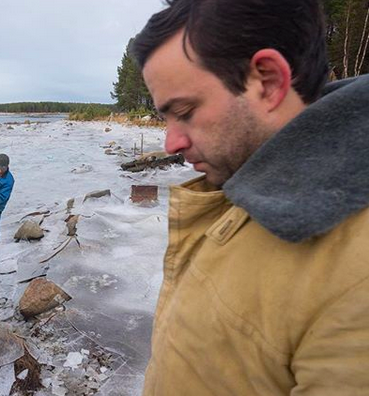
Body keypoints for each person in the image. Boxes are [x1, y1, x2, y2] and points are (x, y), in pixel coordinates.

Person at [132, 0, 369, 394]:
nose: (171, 143)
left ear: (269, 81)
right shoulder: (239, 182)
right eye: (165, 118)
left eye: (186, 111)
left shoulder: (355, 269)